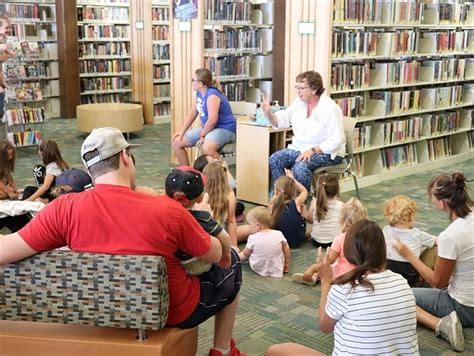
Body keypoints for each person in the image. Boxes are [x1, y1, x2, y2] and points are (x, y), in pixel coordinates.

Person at [0, 127, 245, 356]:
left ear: (90, 170)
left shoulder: (64, 209)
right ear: (126, 157)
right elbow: (215, 255)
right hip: (170, 311)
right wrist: (211, 226)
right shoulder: (167, 210)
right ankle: (222, 349)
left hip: (100, 310)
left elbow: (5, 250)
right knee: (232, 261)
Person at [267, 219, 419, 355]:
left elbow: (324, 327)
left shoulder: (344, 289)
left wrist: (326, 281)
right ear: (382, 249)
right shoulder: (401, 282)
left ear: (348, 251)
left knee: (275, 350)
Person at [393, 172, 473, 352]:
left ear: (443, 204)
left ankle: (442, 325)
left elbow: (438, 282)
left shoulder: (450, 236)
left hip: (466, 306)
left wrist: (409, 255)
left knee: (400, 294)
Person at [262, 70, 345, 193]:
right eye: (297, 87)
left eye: (302, 88)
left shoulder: (330, 108)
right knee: (275, 159)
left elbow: (336, 140)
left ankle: (300, 205)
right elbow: (280, 121)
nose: (298, 91)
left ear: (314, 89)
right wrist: (268, 113)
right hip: (301, 148)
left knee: (300, 167)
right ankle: (281, 199)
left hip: (327, 152)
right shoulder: (299, 103)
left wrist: (312, 150)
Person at [165, 166, 232, 276]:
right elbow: (225, 237)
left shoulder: (164, 214)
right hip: (195, 265)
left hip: (173, 263)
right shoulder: (202, 217)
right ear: (201, 197)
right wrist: (226, 254)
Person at [292, 197, 367, 286]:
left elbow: (329, 260)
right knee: (338, 262)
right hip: (361, 275)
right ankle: (318, 275)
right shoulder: (367, 237)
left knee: (331, 265)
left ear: (341, 220)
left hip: (342, 277)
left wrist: (312, 268)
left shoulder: (339, 239)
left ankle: (317, 275)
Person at [172, 68, 236, 166]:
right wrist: (182, 131)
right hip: (209, 129)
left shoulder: (212, 95)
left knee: (207, 148)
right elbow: (193, 113)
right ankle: (188, 175)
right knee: (177, 142)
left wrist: (202, 135)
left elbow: (212, 120)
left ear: (200, 84)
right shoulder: (199, 93)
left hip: (225, 129)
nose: (191, 82)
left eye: (193, 80)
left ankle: (223, 176)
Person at [383, 195, 437, 287]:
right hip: (411, 282)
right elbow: (438, 241)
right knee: (434, 247)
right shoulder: (417, 234)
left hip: (390, 279)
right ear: (410, 217)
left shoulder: (385, 231)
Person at [238, 207, 291, 278]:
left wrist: (237, 257)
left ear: (257, 225)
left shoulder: (253, 237)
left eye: (249, 224)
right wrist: (286, 263)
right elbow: (287, 249)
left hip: (258, 266)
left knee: (246, 253)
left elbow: (245, 254)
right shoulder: (279, 233)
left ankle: (234, 258)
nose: (248, 227)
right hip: (277, 266)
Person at [268, 169, 308, 248]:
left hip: (279, 242)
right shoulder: (296, 203)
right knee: (303, 207)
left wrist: (276, 194)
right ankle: (303, 232)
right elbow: (304, 191)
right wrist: (292, 178)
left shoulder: (272, 205)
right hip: (296, 242)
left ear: (276, 191)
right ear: (293, 191)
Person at [203, 160, 238, 247]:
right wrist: (234, 247)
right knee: (248, 228)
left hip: (205, 235)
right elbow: (231, 221)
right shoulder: (229, 194)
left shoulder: (202, 192)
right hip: (221, 235)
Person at [306, 174, 343, 248]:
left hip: (316, 241)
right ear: (337, 190)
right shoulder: (341, 205)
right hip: (334, 242)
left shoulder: (314, 203)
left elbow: (309, 220)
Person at [0, 15, 13, 120]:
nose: (9, 30)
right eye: (6, 27)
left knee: (0, 112)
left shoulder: (3, 41)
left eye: (10, 27)